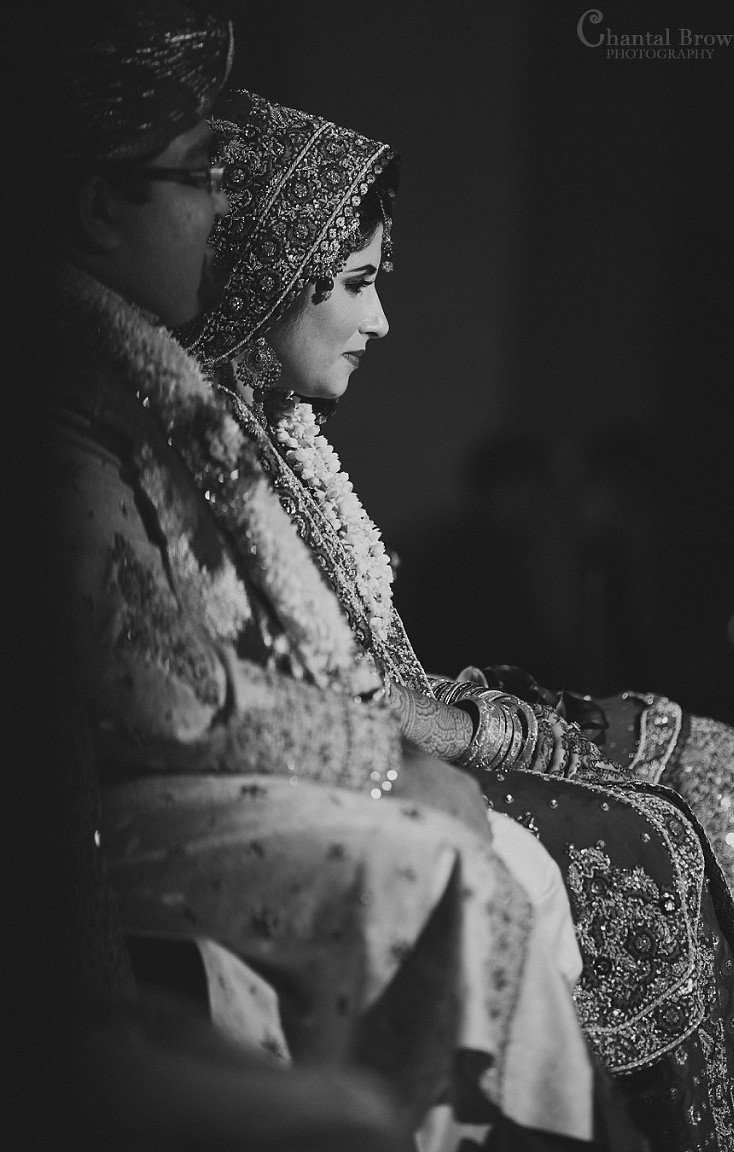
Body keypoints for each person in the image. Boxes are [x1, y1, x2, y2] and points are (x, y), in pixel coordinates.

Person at [42, 8, 618, 1150]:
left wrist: (426, 741)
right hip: (103, 829)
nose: (225, 204)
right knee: (451, 864)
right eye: (206, 173)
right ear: (100, 204)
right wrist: (389, 754)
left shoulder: (153, 404)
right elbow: (163, 695)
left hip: (208, 775)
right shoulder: (72, 408)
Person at [186, 86, 734, 1150]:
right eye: (357, 285)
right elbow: (313, 694)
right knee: (653, 836)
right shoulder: (213, 452)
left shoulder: (287, 438)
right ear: (273, 279)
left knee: (710, 758)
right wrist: (499, 734)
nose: (381, 320)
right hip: (347, 757)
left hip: (409, 724)